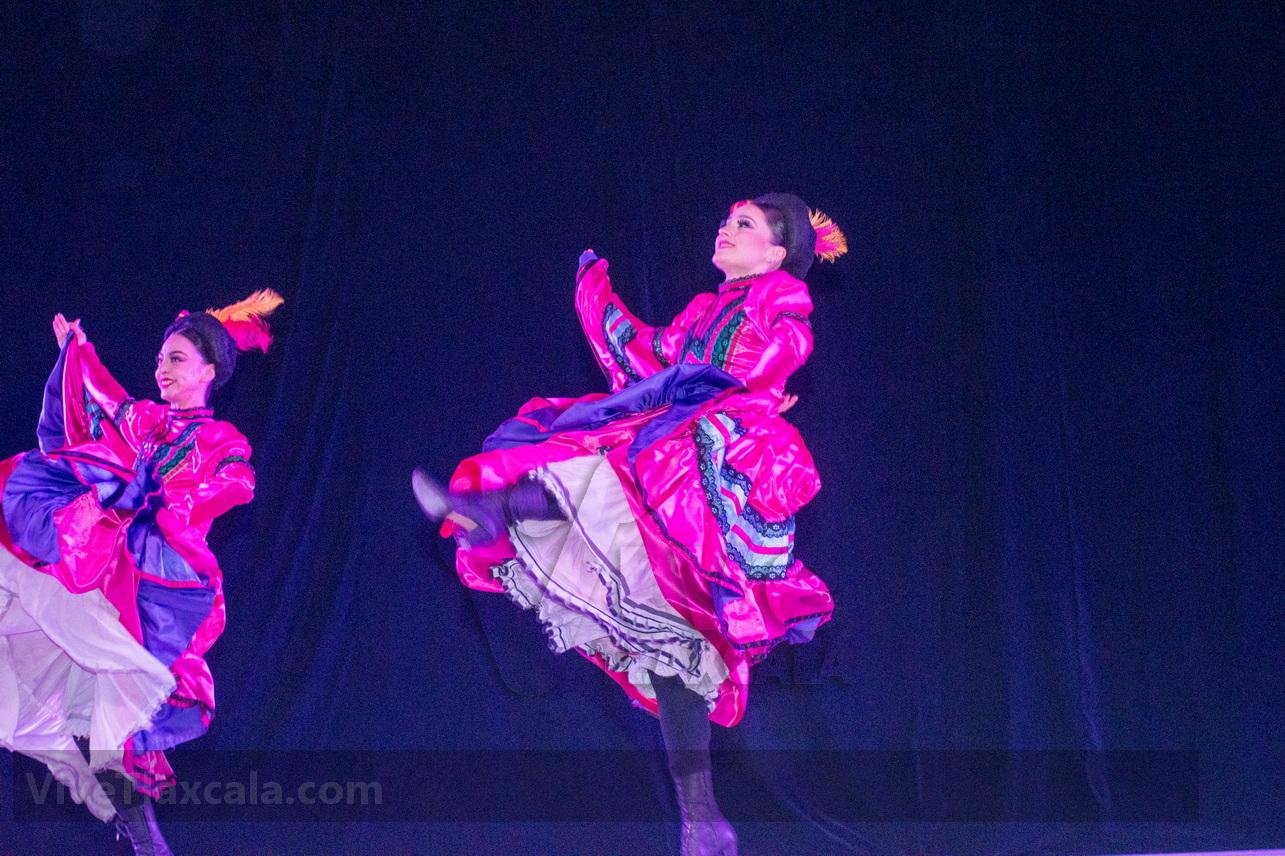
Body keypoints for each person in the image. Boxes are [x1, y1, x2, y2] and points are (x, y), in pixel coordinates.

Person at [415, 193, 845, 855]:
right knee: (664, 630)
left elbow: (784, 349)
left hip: (711, 466)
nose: (725, 229)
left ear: (775, 253)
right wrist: (598, 297)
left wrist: (740, 390)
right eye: (727, 220)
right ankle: (701, 816)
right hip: (669, 443)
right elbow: (650, 354)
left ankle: (495, 511)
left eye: (744, 224)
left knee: (613, 483)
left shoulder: (779, 296)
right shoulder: (704, 309)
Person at [0, 290, 282, 855]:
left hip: (163, 582)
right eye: (159, 359)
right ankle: (136, 829)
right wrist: (77, 350)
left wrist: (178, 503)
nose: (161, 369)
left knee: (120, 723)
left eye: (175, 359)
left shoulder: (220, 438)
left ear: (207, 371)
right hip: (112, 562)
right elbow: (106, 394)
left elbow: (238, 484)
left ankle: (142, 835)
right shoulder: (147, 422)